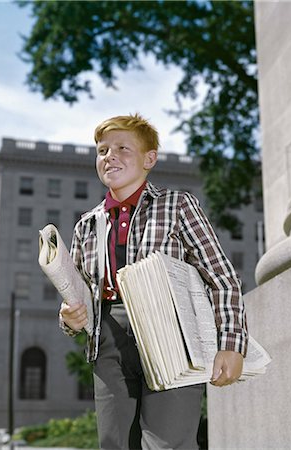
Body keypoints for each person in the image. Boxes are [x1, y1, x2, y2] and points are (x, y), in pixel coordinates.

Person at [59, 113, 248, 450]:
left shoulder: (178, 205)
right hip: (108, 341)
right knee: (115, 444)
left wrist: (231, 344)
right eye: (102, 150)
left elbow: (222, 276)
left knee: (168, 444)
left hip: (172, 336)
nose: (109, 156)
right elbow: (79, 296)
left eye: (122, 148)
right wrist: (69, 318)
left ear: (149, 159)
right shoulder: (85, 225)